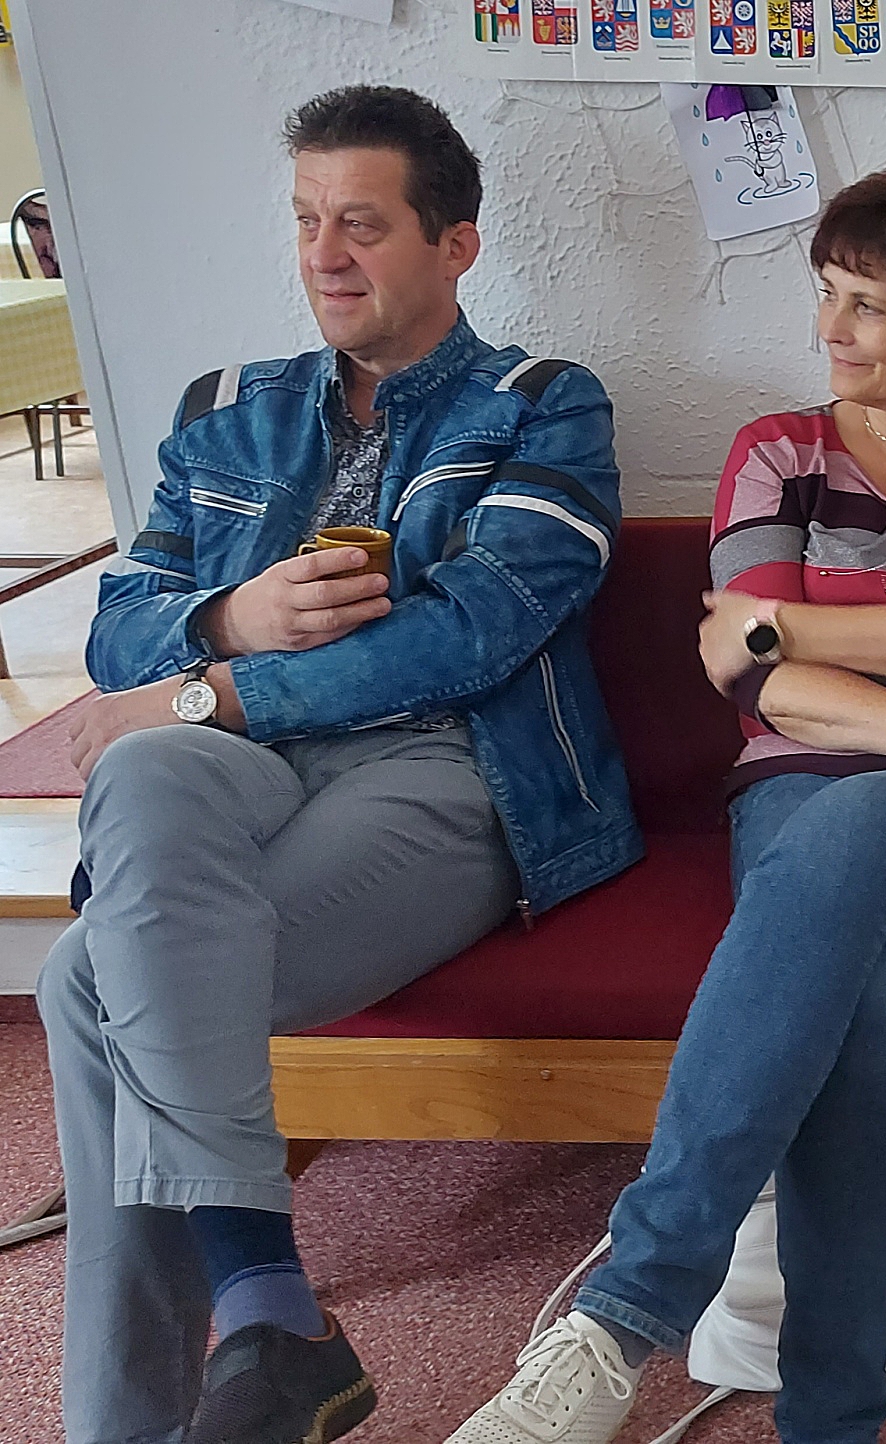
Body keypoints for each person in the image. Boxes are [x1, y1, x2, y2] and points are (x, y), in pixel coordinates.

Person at [450, 166, 886, 1444]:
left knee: (854, 831)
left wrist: (784, 626)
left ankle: (623, 1315)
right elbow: (753, 681)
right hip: (846, 778)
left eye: (866, 305)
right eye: (826, 293)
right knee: (883, 1013)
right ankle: (831, 1420)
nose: (829, 328)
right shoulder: (775, 449)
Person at [43, 85, 638, 1444]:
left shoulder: (543, 406)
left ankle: (193, 1373)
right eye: (308, 220)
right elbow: (118, 625)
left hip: (449, 774)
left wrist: (220, 689)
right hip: (238, 773)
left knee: (87, 981)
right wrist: (230, 622)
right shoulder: (225, 412)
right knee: (141, 777)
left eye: (362, 224)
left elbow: (481, 631)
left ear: (455, 244)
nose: (325, 254)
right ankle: (271, 1325)